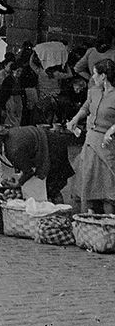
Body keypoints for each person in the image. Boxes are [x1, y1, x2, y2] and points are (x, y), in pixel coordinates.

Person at [0, 125, 74, 204]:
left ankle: (59, 213)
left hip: (52, 146)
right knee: (38, 189)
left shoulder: (14, 148)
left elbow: (29, 171)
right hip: (37, 146)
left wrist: (19, 183)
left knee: (52, 186)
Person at [66, 58, 115, 214]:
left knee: (107, 184)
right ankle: (86, 217)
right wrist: (75, 118)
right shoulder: (93, 90)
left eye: (95, 74)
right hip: (90, 141)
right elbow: (86, 106)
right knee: (86, 179)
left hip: (107, 145)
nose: (92, 77)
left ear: (104, 76)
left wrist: (111, 130)